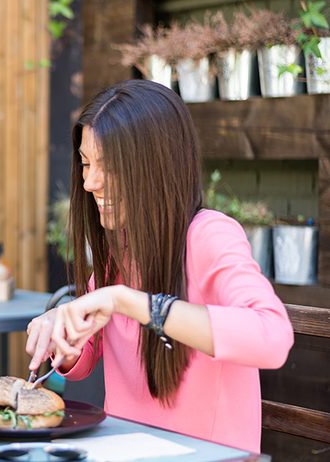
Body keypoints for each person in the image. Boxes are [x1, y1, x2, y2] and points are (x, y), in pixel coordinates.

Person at [25, 80, 293, 453]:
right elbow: (83, 361)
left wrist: (136, 303)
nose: (89, 183)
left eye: (109, 166)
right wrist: (64, 335)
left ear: (156, 165)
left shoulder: (209, 235)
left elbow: (272, 337)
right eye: (86, 164)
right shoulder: (122, 247)